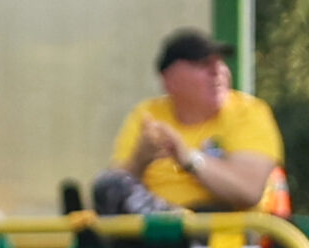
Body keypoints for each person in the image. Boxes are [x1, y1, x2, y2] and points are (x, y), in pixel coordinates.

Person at [94, 29, 283, 218]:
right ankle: (165, 218)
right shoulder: (147, 115)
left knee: (209, 212)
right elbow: (113, 191)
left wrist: (189, 158)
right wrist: (139, 160)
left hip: (229, 234)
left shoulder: (248, 112)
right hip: (153, 237)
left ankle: (173, 220)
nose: (217, 71)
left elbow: (249, 191)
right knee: (108, 186)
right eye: (203, 64)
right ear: (170, 79)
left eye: (220, 62)